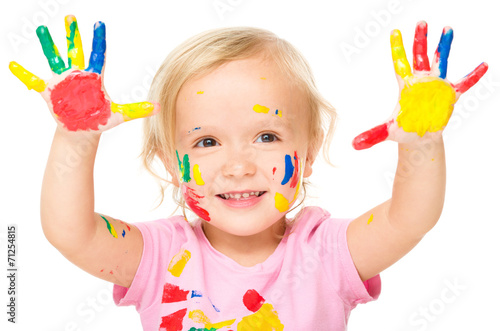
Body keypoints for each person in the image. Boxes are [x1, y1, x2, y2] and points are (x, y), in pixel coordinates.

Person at [9, 15, 488, 330]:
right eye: (207, 142)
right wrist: (77, 137)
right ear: (166, 161)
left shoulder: (326, 253)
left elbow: (411, 218)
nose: (238, 166)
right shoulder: (158, 256)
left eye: (266, 137)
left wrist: (423, 142)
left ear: (311, 148)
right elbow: (69, 232)